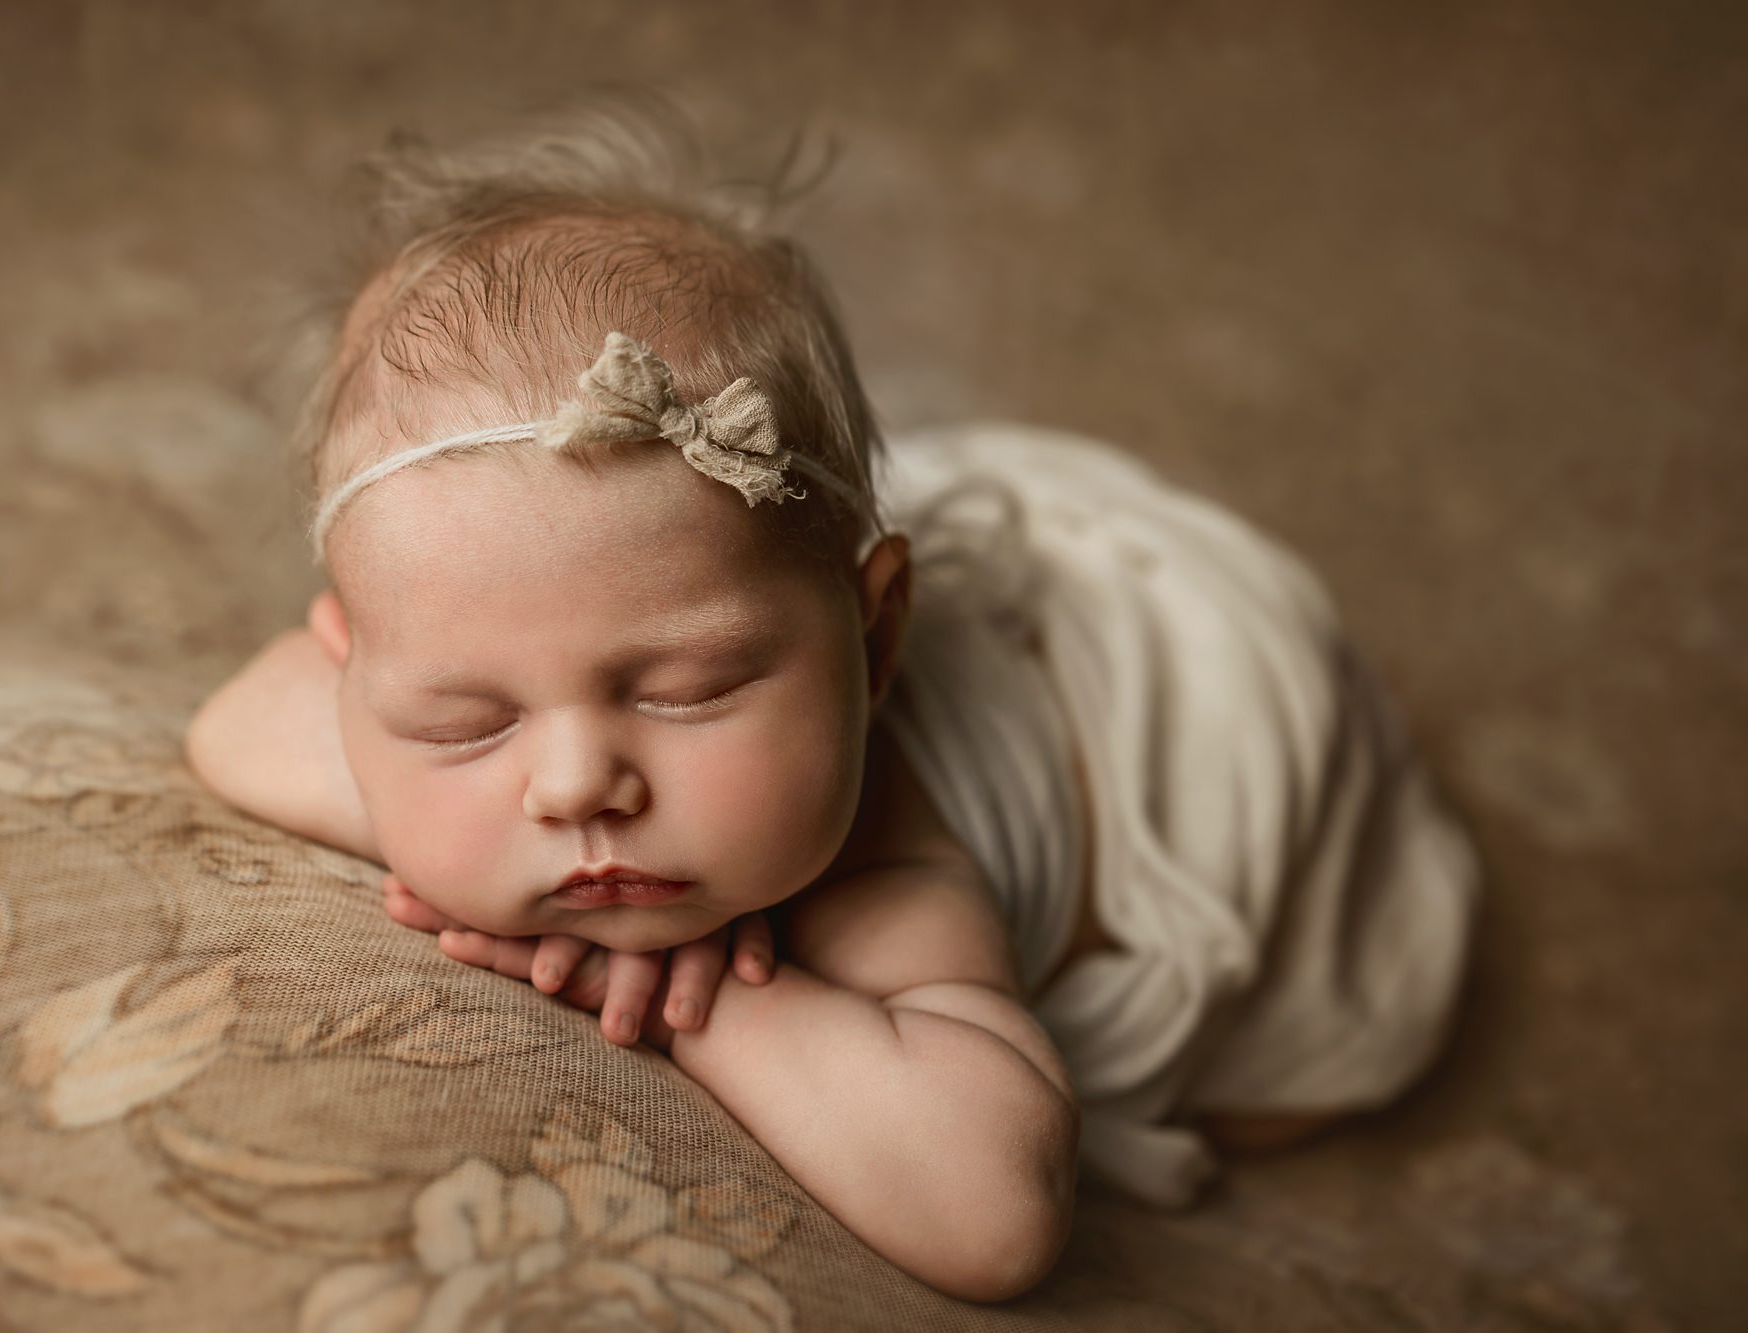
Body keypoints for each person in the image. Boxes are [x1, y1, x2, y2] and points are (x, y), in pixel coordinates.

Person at [185, 98, 1478, 1302]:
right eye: (465, 720)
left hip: (1180, 714)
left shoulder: (888, 862)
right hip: (801, 583)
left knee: (1292, 1063)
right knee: (706, 554)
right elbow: (234, 725)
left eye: (690, 690)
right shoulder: (510, 657)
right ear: (355, 662)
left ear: (877, 638)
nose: (577, 786)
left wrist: (716, 995)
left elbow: (996, 1213)